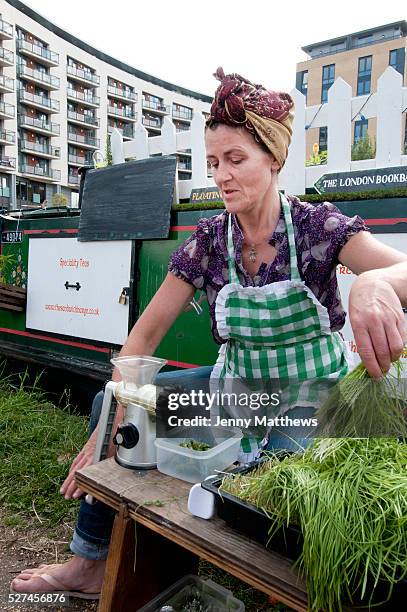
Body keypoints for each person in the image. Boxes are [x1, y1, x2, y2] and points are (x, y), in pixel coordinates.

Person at [11, 67, 407, 597]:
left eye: (236, 160)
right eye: (214, 161)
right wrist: (116, 416)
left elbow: (400, 270)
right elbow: (144, 336)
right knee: (116, 408)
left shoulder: (318, 229)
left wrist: (373, 284)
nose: (221, 175)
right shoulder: (210, 241)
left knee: (275, 486)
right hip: (238, 398)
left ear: (274, 159)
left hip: (313, 403)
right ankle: (88, 563)